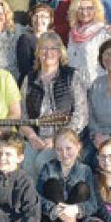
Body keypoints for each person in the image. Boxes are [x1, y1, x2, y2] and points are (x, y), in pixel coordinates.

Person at [19, 32, 89, 178]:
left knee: (42, 162)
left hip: (64, 140)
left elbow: (81, 115)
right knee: (24, 161)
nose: (48, 52)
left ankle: (49, 199)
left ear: (60, 53)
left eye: (53, 48)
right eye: (43, 48)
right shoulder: (29, 79)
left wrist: (57, 139)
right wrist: (31, 136)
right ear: (38, 52)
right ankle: (31, 200)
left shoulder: (72, 76)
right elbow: (23, 116)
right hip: (36, 138)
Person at [35, 129, 97, 222]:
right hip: (51, 215)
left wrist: (75, 208)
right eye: (59, 149)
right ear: (54, 150)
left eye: (69, 148)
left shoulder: (85, 170)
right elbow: (37, 198)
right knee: (52, 183)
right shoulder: (48, 167)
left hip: (75, 219)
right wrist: (55, 209)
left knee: (82, 188)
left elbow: (93, 204)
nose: (64, 154)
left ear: (78, 147)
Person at [65, 0, 111, 90]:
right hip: (75, 87)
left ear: (96, 10)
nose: (84, 12)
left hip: (97, 86)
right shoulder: (72, 33)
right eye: (81, 8)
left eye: (89, 8)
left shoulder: (104, 32)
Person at [14, 3, 53, 87]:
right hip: (32, 86)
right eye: (36, 16)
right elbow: (25, 69)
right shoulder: (25, 39)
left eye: (43, 16)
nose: (39, 20)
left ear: (50, 20)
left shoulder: (55, 39)